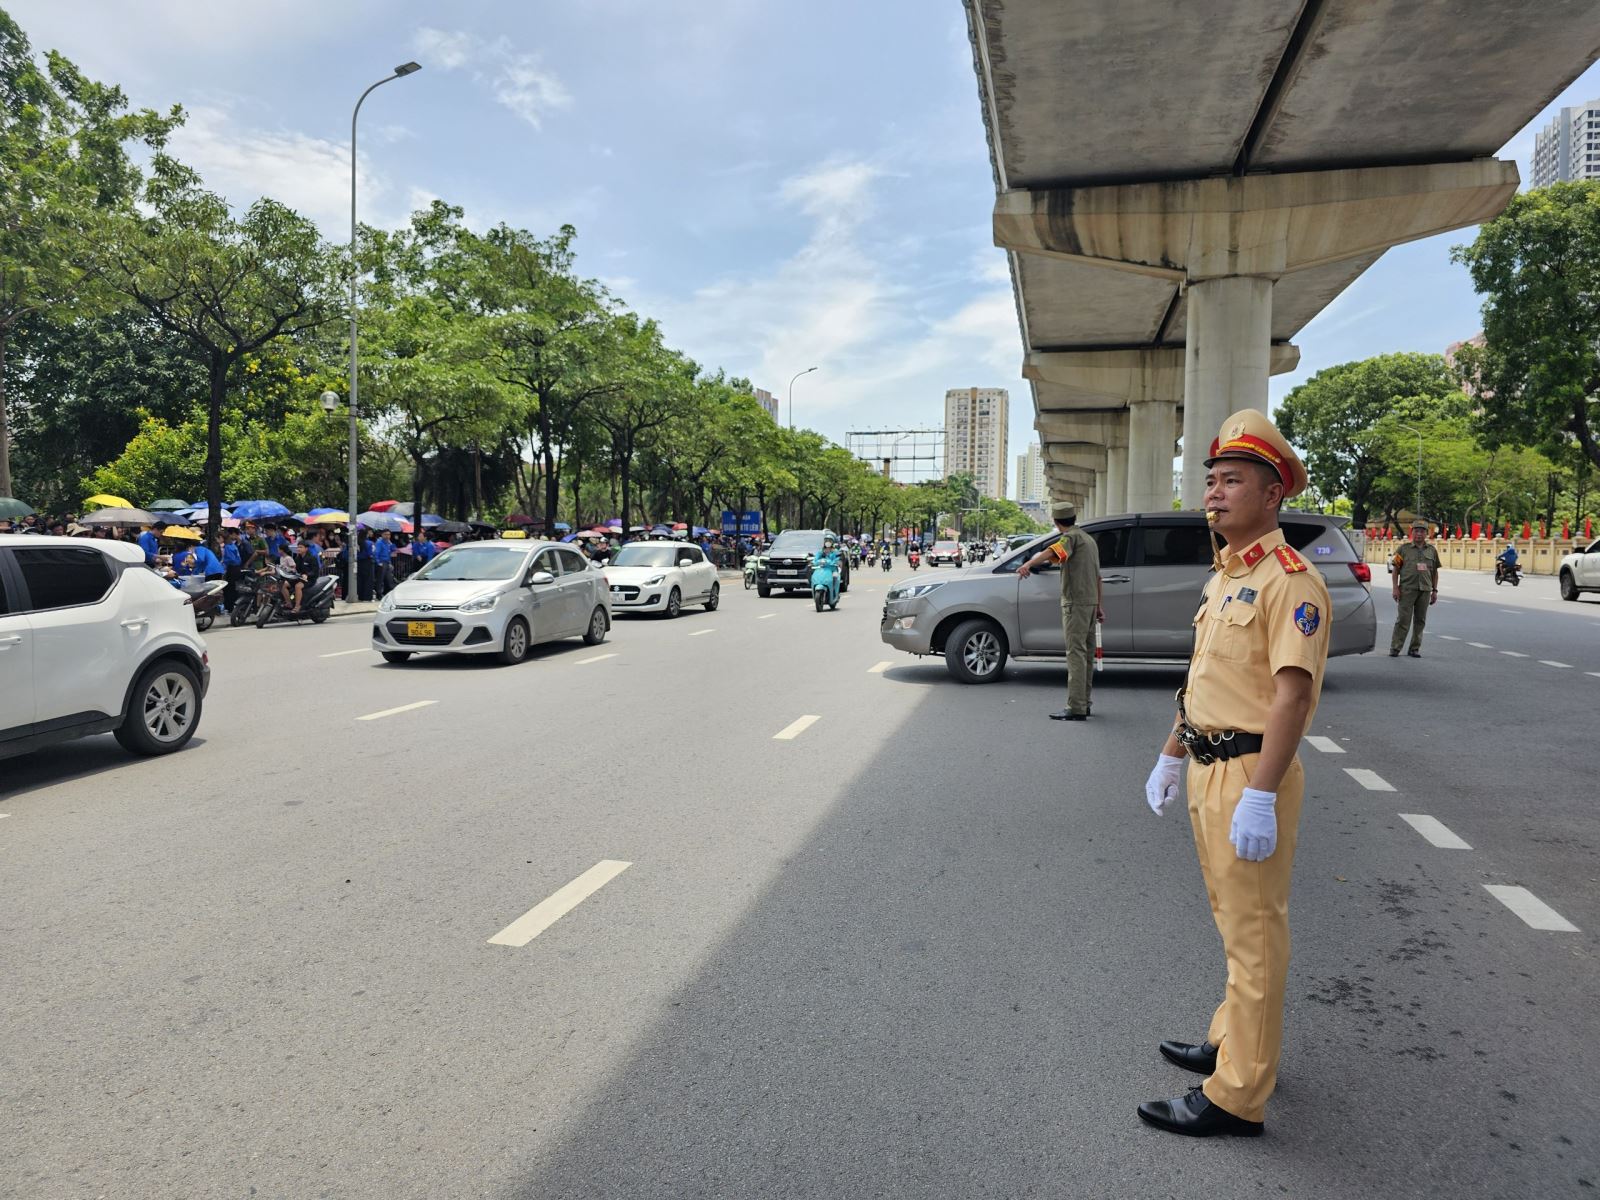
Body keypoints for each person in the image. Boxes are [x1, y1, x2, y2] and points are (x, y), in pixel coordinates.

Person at [1137, 408, 1331, 1139]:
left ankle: (1237, 1094)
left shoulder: (1291, 582)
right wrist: (1170, 752)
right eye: (1211, 480)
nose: (1213, 495)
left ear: (1272, 494)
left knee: (1255, 933)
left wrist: (1260, 796)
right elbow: (1205, 683)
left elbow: (1294, 694)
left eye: (1231, 482)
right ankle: (1232, 1039)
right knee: (1232, 922)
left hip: (1252, 773)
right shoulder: (1226, 577)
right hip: (1208, 766)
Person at [1017, 501, 1102, 721]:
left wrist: (1028, 564)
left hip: (1076, 603)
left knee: (1075, 654)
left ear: (1056, 522)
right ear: (1073, 518)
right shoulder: (1089, 540)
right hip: (1091, 603)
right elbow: (1098, 577)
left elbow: (1050, 552)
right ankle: (1084, 703)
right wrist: (1099, 606)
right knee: (1086, 655)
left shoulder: (1070, 538)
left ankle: (1075, 707)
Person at [1389, 519, 1440, 658]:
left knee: (1420, 621)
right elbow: (1395, 570)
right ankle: (1395, 647)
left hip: (1425, 590)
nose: (1419, 534)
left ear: (1426, 533)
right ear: (1412, 533)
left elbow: (1434, 572)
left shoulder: (1432, 550)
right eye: (1416, 531)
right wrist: (1395, 588)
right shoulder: (1403, 549)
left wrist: (1434, 591)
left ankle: (1414, 648)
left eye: (1422, 531)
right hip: (1407, 589)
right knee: (1403, 620)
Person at [372, 529, 395, 597]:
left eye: (389, 534)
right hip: (382, 562)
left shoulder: (388, 543)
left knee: (388, 579)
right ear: (382, 535)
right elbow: (376, 553)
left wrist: (390, 563)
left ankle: (386, 593)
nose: (387, 536)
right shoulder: (379, 542)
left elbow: (392, 551)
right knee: (380, 579)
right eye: (386, 534)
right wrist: (378, 562)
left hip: (387, 562)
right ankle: (379, 594)